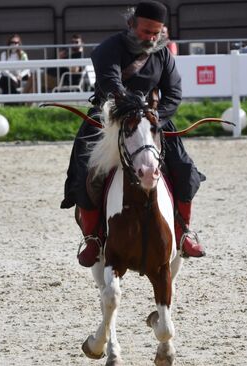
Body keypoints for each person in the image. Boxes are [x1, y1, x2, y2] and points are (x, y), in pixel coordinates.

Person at [62, 0, 206, 267]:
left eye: (156, 33)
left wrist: (156, 118)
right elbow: (111, 84)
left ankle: (183, 232)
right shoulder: (109, 49)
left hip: (153, 121)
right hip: (109, 118)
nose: (151, 38)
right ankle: (93, 238)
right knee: (85, 170)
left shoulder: (163, 54)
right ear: (131, 24)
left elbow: (173, 93)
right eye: (146, 31)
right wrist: (132, 114)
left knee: (185, 169)